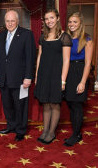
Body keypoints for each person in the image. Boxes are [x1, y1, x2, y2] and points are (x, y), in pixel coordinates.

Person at [0, 10, 36, 142]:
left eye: (12, 21)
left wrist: (28, 76)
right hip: (4, 78)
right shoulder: (0, 36)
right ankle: (11, 126)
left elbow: (30, 58)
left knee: (21, 106)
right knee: (7, 105)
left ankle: (20, 130)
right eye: (7, 21)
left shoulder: (26, 34)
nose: (10, 23)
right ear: (5, 22)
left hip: (21, 80)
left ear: (17, 21)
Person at [34, 9, 72, 144]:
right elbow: (39, 57)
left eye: (51, 18)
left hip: (56, 75)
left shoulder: (64, 36)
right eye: (46, 19)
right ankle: (45, 131)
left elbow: (67, 60)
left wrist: (63, 80)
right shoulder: (42, 36)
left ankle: (51, 133)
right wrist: (37, 75)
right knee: (45, 103)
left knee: (55, 104)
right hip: (44, 74)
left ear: (57, 18)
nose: (49, 21)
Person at [64, 12, 93, 146]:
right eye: (70, 22)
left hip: (80, 71)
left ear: (80, 23)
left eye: (75, 22)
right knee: (70, 103)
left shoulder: (86, 39)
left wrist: (82, 82)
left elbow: (88, 63)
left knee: (77, 105)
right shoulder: (66, 38)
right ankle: (76, 132)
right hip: (68, 71)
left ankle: (76, 135)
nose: (72, 24)